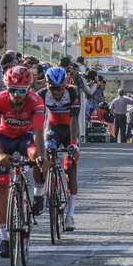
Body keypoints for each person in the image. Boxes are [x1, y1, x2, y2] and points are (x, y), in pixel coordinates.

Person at [0, 66, 49, 258]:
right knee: (0, 188)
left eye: (21, 91)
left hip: (26, 138)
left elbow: (39, 133)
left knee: (38, 156)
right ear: (6, 88)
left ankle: (39, 193)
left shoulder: (36, 101)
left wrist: (41, 157)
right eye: (12, 90)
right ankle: (4, 238)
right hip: (3, 139)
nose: (16, 95)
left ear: (29, 89)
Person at [37, 67, 81, 230]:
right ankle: (40, 193)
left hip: (70, 130)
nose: (56, 92)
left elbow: (74, 118)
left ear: (65, 84)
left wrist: (74, 142)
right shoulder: (42, 95)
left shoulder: (73, 92)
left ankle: (70, 215)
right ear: (47, 86)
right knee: (44, 154)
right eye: (52, 88)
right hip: (53, 128)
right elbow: (37, 121)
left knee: (71, 172)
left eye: (59, 88)